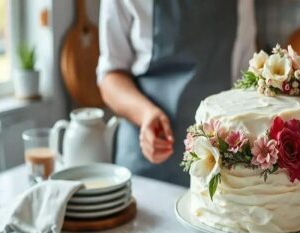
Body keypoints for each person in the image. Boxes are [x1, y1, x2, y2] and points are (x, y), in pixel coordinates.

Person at [97, 0, 256, 186]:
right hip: (147, 157)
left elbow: (246, 74)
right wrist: (145, 114)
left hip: (220, 163)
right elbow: (110, 77)